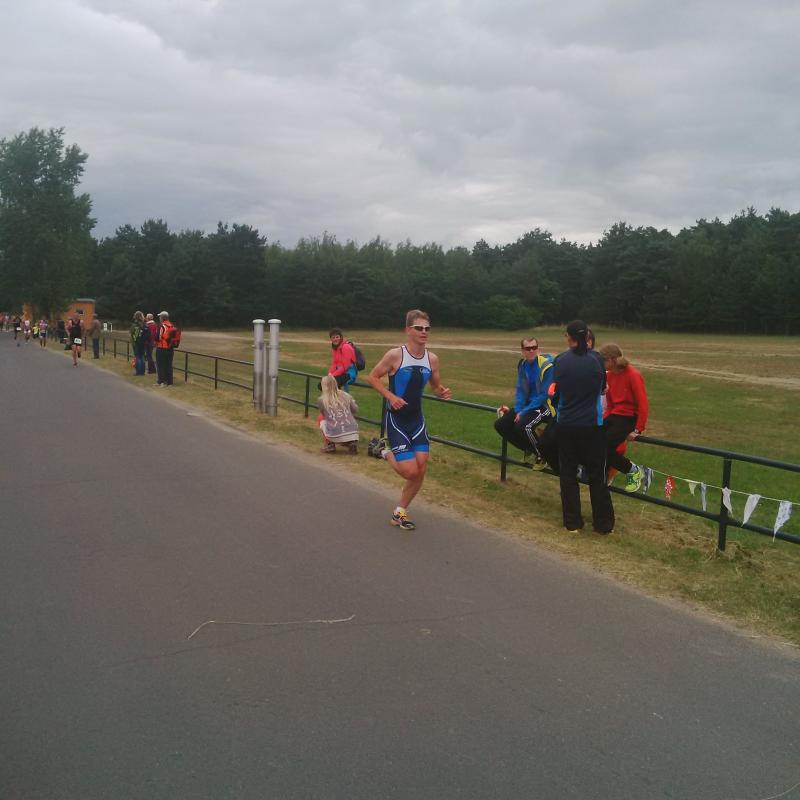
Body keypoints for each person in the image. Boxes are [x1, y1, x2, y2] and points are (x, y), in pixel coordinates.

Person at [366, 310, 451, 530]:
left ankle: (400, 512)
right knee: (410, 471)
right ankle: (383, 451)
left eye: (427, 328)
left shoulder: (432, 359)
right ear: (408, 330)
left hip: (416, 419)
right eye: (419, 328)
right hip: (397, 419)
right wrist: (391, 397)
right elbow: (372, 377)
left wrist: (441, 392)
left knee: (421, 468)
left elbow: (435, 386)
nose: (424, 332)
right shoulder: (395, 355)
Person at [551, 320, 614, 535]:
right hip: (592, 425)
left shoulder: (560, 360)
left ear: (569, 337)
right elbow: (603, 389)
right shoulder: (596, 359)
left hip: (567, 424)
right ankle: (603, 524)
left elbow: (557, 391)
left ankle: (573, 522)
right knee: (597, 475)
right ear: (587, 336)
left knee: (568, 474)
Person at [494, 337, 554, 466]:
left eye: (534, 348)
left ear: (538, 349)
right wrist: (519, 409)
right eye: (528, 348)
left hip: (545, 406)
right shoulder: (523, 365)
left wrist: (523, 412)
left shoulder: (547, 366)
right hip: (528, 405)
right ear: (522, 351)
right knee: (501, 425)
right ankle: (528, 448)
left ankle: (543, 455)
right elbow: (521, 390)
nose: (532, 351)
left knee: (523, 426)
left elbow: (544, 395)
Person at [599, 343, 649, 492]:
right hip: (615, 416)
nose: (601, 365)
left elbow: (643, 404)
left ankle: (633, 470)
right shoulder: (608, 375)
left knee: (604, 447)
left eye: (603, 361)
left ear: (611, 360)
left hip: (629, 418)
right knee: (594, 441)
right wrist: (604, 422)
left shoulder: (633, 375)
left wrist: (638, 429)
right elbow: (610, 404)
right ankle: (600, 475)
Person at [317, 374, 359, 454]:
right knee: (350, 418)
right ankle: (351, 442)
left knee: (320, 418)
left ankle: (330, 444)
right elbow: (355, 410)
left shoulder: (322, 400)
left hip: (334, 433)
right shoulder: (346, 395)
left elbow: (324, 415)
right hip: (353, 432)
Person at [155, 310, 175, 386]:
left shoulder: (162, 326)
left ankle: (161, 381)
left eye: (160, 317)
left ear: (162, 318)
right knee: (168, 365)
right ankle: (169, 382)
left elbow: (158, 338)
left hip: (162, 348)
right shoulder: (172, 325)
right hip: (170, 348)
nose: (159, 318)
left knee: (160, 365)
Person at [130, 311, 148, 376]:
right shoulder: (144, 324)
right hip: (143, 342)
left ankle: (138, 372)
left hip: (136, 343)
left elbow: (131, 333)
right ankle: (143, 372)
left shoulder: (135, 324)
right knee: (142, 356)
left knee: (138, 357)